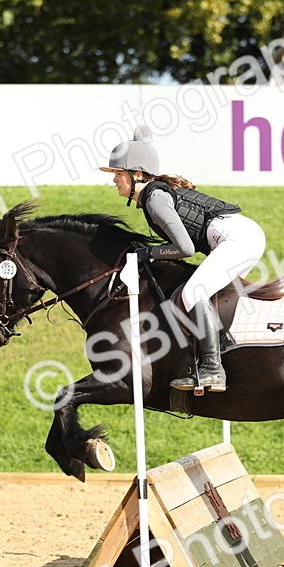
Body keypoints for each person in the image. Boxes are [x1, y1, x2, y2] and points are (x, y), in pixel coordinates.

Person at [100, 128, 267, 393]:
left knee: (193, 292)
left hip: (237, 240)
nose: (114, 181)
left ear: (138, 175)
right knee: (211, 295)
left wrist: (149, 253)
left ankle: (212, 369)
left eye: (118, 175)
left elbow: (184, 248)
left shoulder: (154, 198)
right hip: (241, 237)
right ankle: (218, 353)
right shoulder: (152, 197)